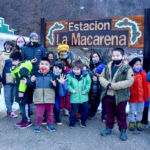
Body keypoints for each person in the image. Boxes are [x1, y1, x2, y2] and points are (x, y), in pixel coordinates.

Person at [100, 48, 134, 141]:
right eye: (114, 55)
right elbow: (101, 77)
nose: (115, 57)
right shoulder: (107, 66)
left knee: (121, 114)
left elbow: (130, 81)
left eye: (117, 55)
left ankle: (122, 130)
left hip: (121, 97)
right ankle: (108, 128)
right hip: (108, 95)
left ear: (123, 56)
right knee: (109, 113)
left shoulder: (127, 68)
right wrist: (107, 84)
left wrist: (113, 86)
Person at [25, 57, 66, 132]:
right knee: (39, 113)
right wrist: (28, 81)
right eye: (42, 64)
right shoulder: (36, 75)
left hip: (49, 98)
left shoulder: (53, 75)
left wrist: (56, 84)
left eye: (46, 64)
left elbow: (56, 87)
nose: (44, 66)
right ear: (39, 65)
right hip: (39, 98)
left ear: (49, 66)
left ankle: (50, 124)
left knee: (50, 113)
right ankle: (38, 125)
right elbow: (32, 86)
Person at [10, 51, 33, 128]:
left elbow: (23, 80)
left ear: (17, 59)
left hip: (24, 91)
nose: (11, 62)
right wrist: (13, 70)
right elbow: (15, 76)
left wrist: (21, 91)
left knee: (25, 106)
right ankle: (23, 120)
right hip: (19, 89)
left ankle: (28, 121)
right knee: (21, 106)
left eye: (12, 60)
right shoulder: (19, 66)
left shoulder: (23, 67)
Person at [67, 59, 91, 128]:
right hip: (74, 97)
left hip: (84, 97)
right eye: (74, 69)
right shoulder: (69, 75)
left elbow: (88, 84)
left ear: (81, 69)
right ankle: (72, 122)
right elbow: (68, 84)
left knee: (85, 110)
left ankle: (83, 122)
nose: (75, 71)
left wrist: (86, 90)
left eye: (77, 69)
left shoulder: (86, 75)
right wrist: (71, 90)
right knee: (73, 111)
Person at [128, 56, 148, 132]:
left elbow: (146, 86)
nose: (138, 66)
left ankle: (139, 122)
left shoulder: (143, 74)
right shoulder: (130, 74)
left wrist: (147, 96)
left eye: (139, 64)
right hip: (133, 97)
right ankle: (132, 122)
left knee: (140, 110)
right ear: (132, 65)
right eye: (136, 64)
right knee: (132, 110)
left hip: (142, 97)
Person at [0, 42, 17, 118]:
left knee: (12, 96)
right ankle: (10, 111)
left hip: (15, 79)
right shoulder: (2, 55)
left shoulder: (15, 55)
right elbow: (0, 68)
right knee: (7, 96)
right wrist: (0, 79)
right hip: (6, 79)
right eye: (6, 45)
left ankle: (9, 109)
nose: (8, 46)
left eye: (9, 45)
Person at [88, 52, 106, 120]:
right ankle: (89, 113)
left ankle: (94, 114)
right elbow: (89, 74)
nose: (94, 58)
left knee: (97, 102)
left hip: (100, 88)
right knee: (91, 102)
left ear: (99, 57)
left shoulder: (103, 65)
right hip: (92, 88)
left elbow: (106, 76)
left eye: (96, 56)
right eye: (93, 57)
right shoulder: (90, 66)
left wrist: (98, 77)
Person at [57, 45, 72, 116]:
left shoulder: (70, 60)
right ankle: (61, 108)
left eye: (64, 51)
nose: (63, 53)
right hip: (60, 82)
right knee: (61, 96)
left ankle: (67, 109)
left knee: (68, 96)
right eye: (61, 51)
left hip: (68, 82)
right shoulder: (57, 60)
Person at [53, 61, 67, 125]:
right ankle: (45, 117)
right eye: (55, 67)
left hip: (57, 95)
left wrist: (62, 83)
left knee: (57, 107)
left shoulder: (63, 77)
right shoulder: (50, 74)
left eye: (59, 68)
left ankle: (57, 118)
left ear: (62, 70)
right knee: (47, 107)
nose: (57, 69)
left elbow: (65, 89)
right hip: (49, 94)